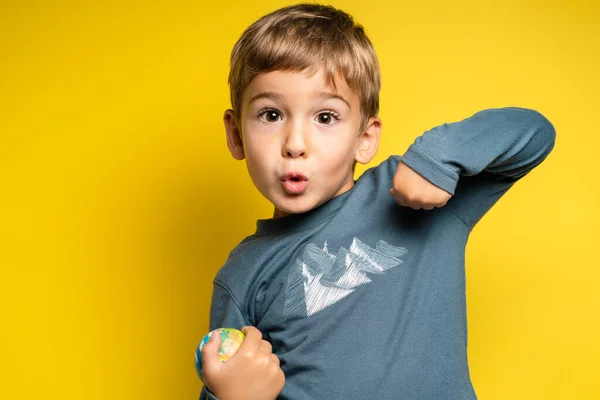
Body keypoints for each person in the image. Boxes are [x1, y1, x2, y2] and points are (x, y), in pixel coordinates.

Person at [198, 3, 556, 399]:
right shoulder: (242, 275)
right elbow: (228, 376)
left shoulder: (415, 196)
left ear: (365, 138)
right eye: (270, 115)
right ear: (235, 135)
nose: (295, 145)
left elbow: (535, 134)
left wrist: (438, 157)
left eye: (325, 118)